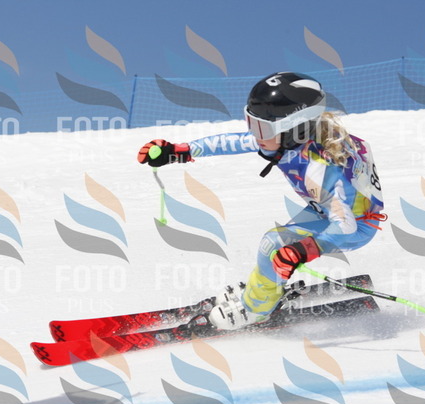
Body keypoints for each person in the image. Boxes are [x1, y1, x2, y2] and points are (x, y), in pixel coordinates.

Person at [137, 72, 385, 330]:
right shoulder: (287, 141)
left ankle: (256, 309)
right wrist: (180, 151)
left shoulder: (318, 169)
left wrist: (304, 250)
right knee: (276, 248)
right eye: (252, 123)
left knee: (272, 244)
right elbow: (231, 142)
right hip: (325, 209)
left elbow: (345, 226)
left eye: (262, 128)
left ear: (295, 129)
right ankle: (262, 289)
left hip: (355, 226)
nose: (254, 135)